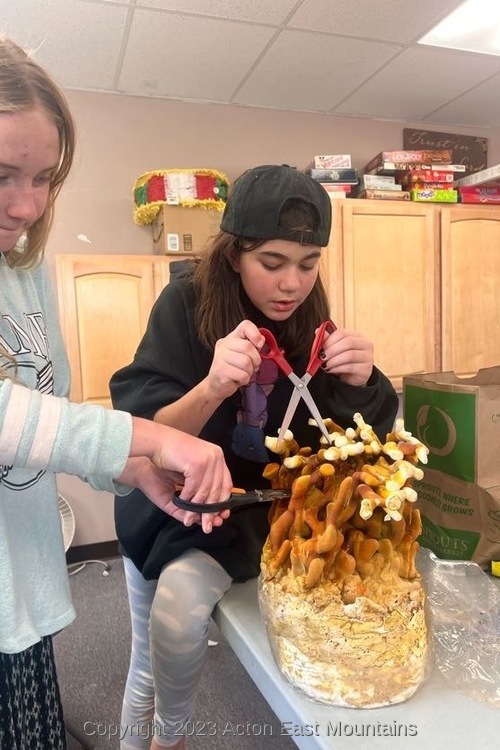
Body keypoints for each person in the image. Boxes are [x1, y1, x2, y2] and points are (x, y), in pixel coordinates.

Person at [110, 163, 399, 749]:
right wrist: (213, 386)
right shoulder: (185, 303)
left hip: (259, 513)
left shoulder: (307, 315)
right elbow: (145, 434)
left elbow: (354, 436)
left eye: (308, 263)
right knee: (154, 654)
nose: (291, 284)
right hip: (178, 509)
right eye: (272, 264)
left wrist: (364, 382)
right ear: (234, 254)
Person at [0, 36, 234, 750]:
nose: (28, 204)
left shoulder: (23, 262)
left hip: (22, 594)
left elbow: (45, 412)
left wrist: (125, 465)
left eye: (44, 178)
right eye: (4, 173)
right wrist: (151, 439)